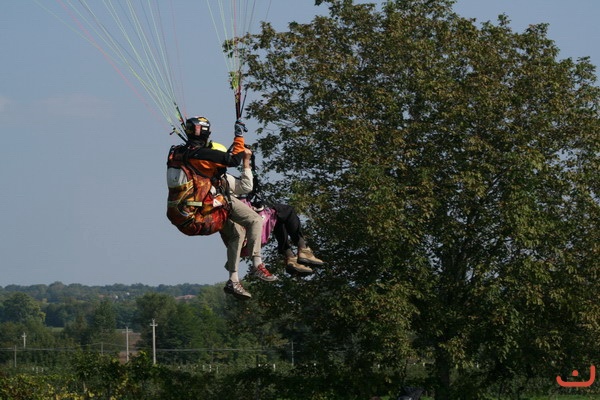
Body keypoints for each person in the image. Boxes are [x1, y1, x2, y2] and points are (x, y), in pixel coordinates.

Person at [166, 117, 273, 300]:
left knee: (237, 234)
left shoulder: (177, 152)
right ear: (206, 134)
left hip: (181, 215)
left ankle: (233, 280)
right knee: (255, 220)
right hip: (201, 215)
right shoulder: (202, 154)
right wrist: (239, 136)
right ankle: (257, 264)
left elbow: (209, 165)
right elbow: (233, 160)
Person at [214, 142, 324, 276]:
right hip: (248, 230)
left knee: (278, 217)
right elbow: (247, 186)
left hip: (239, 235)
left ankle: (290, 257)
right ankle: (303, 248)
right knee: (287, 211)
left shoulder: (208, 181)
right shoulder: (222, 179)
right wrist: (246, 161)